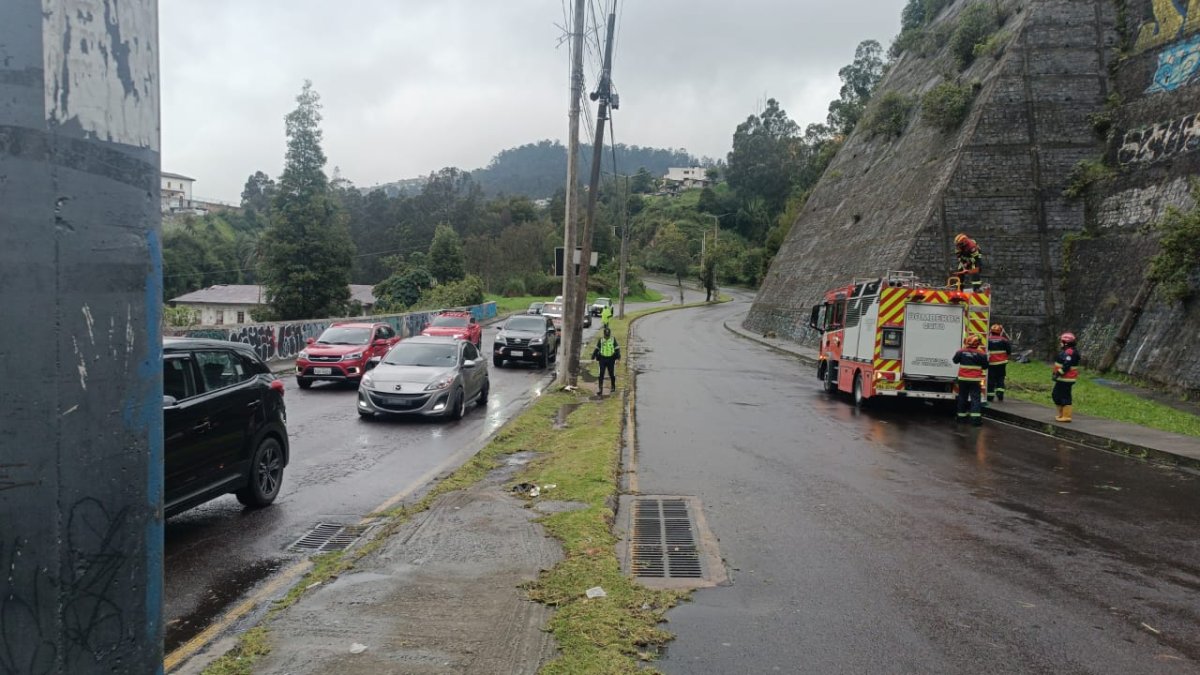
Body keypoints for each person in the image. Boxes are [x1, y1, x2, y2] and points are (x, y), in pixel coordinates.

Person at [952, 334, 988, 426]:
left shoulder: (961, 351)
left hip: (963, 379)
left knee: (962, 397)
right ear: (978, 343)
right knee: (975, 399)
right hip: (975, 380)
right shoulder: (982, 354)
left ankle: (961, 417)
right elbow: (985, 366)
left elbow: (955, 361)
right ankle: (975, 420)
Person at [1052, 332, 1080, 423]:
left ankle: (1066, 416)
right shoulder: (1067, 351)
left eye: (1062, 341)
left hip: (1066, 379)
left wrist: (1058, 373)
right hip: (1062, 378)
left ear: (1066, 343)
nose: (1060, 343)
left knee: (1064, 396)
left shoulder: (1070, 352)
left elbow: (1066, 365)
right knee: (1056, 395)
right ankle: (1061, 414)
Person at [591, 325, 620, 396]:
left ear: (609, 334)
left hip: (611, 359)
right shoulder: (601, 340)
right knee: (601, 374)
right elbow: (597, 349)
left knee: (611, 374)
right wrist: (593, 356)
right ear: (604, 334)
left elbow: (617, 349)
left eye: (608, 335)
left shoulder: (613, 339)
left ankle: (613, 387)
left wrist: (618, 357)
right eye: (606, 335)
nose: (607, 336)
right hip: (602, 359)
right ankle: (600, 389)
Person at [986, 324, 1011, 402]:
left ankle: (990, 396)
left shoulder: (987, 340)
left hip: (991, 364)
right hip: (1001, 363)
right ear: (1000, 332)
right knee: (1000, 378)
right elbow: (1009, 351)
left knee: (991, 379)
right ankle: (1000, 394)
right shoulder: (1004, 340)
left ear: (991, 331)